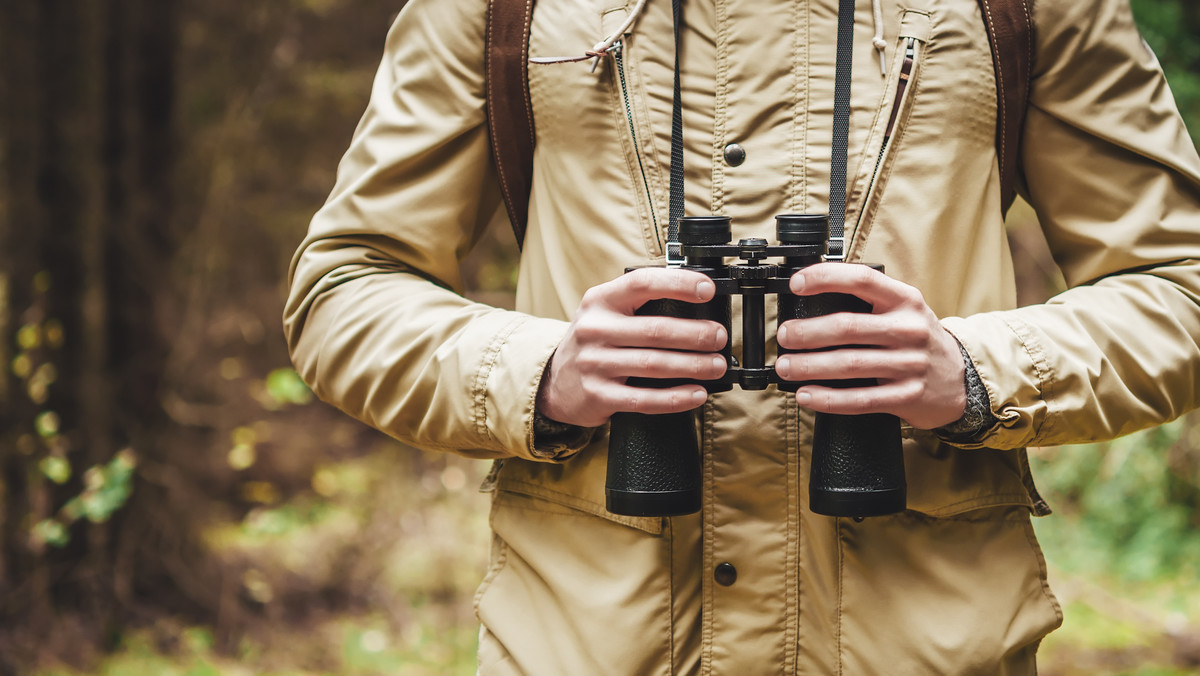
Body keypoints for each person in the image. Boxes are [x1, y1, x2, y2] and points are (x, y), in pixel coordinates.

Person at [284, 0, 1200, 671]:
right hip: (587, 646)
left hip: (926, 647)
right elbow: (342, 289)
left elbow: (1180, 285)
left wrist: (972, 373)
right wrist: (542, 373)